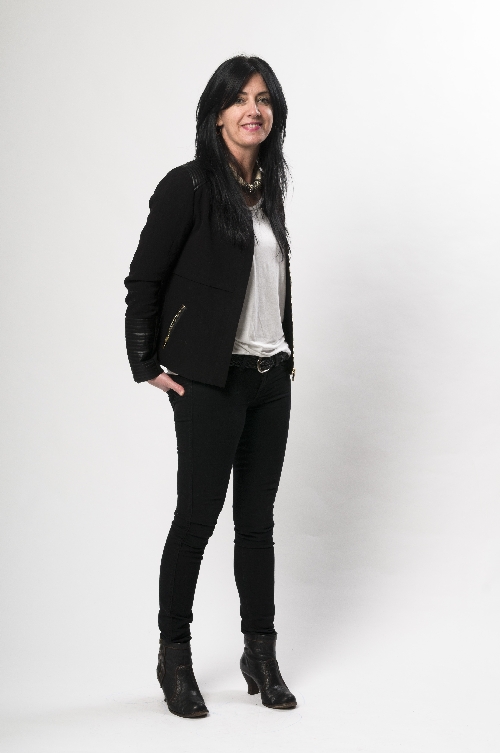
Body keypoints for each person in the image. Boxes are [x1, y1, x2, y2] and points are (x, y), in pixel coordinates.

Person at [124, 55, 296, 718]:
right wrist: (147, 361)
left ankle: (261, 654)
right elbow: (144, 279)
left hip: (270, 376)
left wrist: (284, 352)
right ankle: (174, 656)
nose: (253, 109)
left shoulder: (267, 191)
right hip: (210, 380)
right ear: (216, 113)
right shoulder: (188, 186)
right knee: (196, 518)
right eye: (240, 99)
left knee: (257, 524)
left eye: (264, 99)